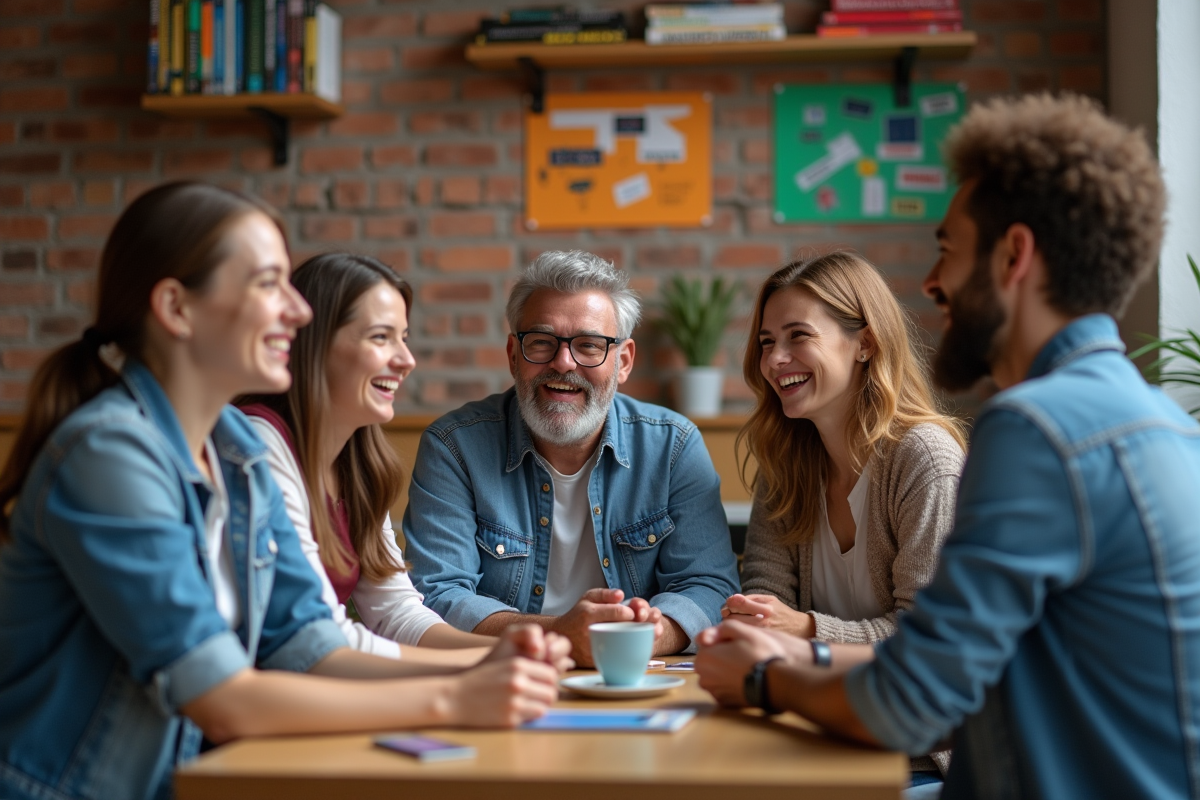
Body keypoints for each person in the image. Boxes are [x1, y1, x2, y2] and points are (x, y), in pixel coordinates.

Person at [694, 94, 1197, 799]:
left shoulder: (1035, 429)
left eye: (949, 250)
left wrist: (763, 678)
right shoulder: (1167, 424)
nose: (931, 282)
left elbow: (914, 699)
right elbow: (954, 663)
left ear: (1014, 256)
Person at [0, 182, 571, 800]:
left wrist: (489, 665)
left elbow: (307, 644)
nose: (298, 312)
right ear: (176, 308)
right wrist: (455, 696)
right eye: (268, 283)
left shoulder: (236, 454)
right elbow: (220, 697)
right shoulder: (110, 454)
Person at [403, 250, 741, 665]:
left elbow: (709, 586)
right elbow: (437, 594)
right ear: (513, 355)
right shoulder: (454, 447)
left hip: (634, 676)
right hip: (504, 671)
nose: (564, 363)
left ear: (623, 362)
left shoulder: (673, 446)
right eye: (542, 342)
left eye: (589, 345)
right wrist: (560, 634)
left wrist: (643, 636)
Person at [725, 251, 966, 782]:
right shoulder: (784, 464)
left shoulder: (925, 460)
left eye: (798, 336)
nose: (775, 359)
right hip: (811, 734)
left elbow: (929, 642)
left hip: (916, 760)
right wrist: (752, 621)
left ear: (866, 343)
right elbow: (767, 601)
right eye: (766, 342)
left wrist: (806, 629)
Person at [238, 253, 495, 662]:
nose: (406, 360)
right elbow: (322, 637)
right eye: (380, 337)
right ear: (313, 344)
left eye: (403, 337)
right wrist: (484, 662)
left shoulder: (358, 464)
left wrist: (514, 651)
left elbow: (396, 613)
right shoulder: (258, 444)